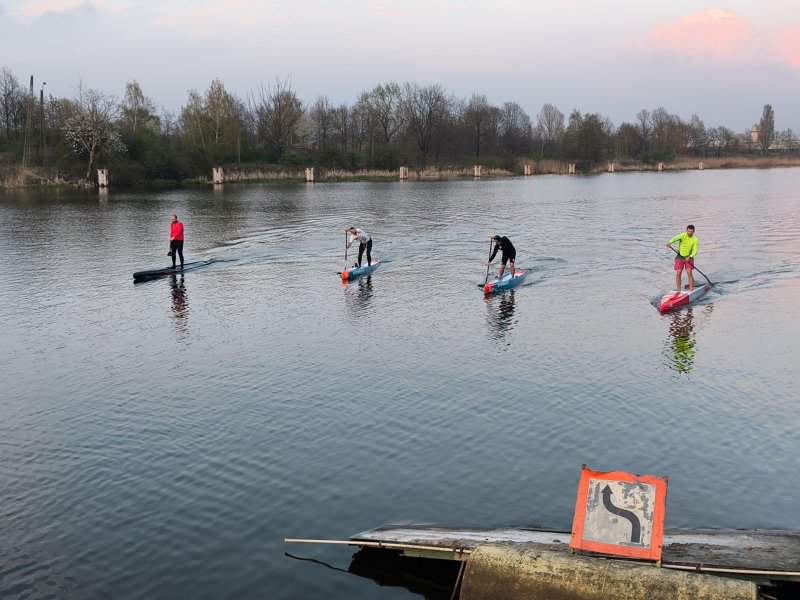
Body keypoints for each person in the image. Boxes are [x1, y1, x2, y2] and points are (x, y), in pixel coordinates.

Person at [666, 224, 698, 291]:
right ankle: (678, 290)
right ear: (686, 230)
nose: (689, 233)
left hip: (689, 257)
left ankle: (691, 289)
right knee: (678, 273)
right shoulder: (682, 235)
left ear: (693, 231)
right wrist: (669, 242)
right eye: (688, 231)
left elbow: (695, 251)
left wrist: (690, 256)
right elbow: (674, 238)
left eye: (691, 232)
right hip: (679, 256)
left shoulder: (695, 240)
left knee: (689, 272)